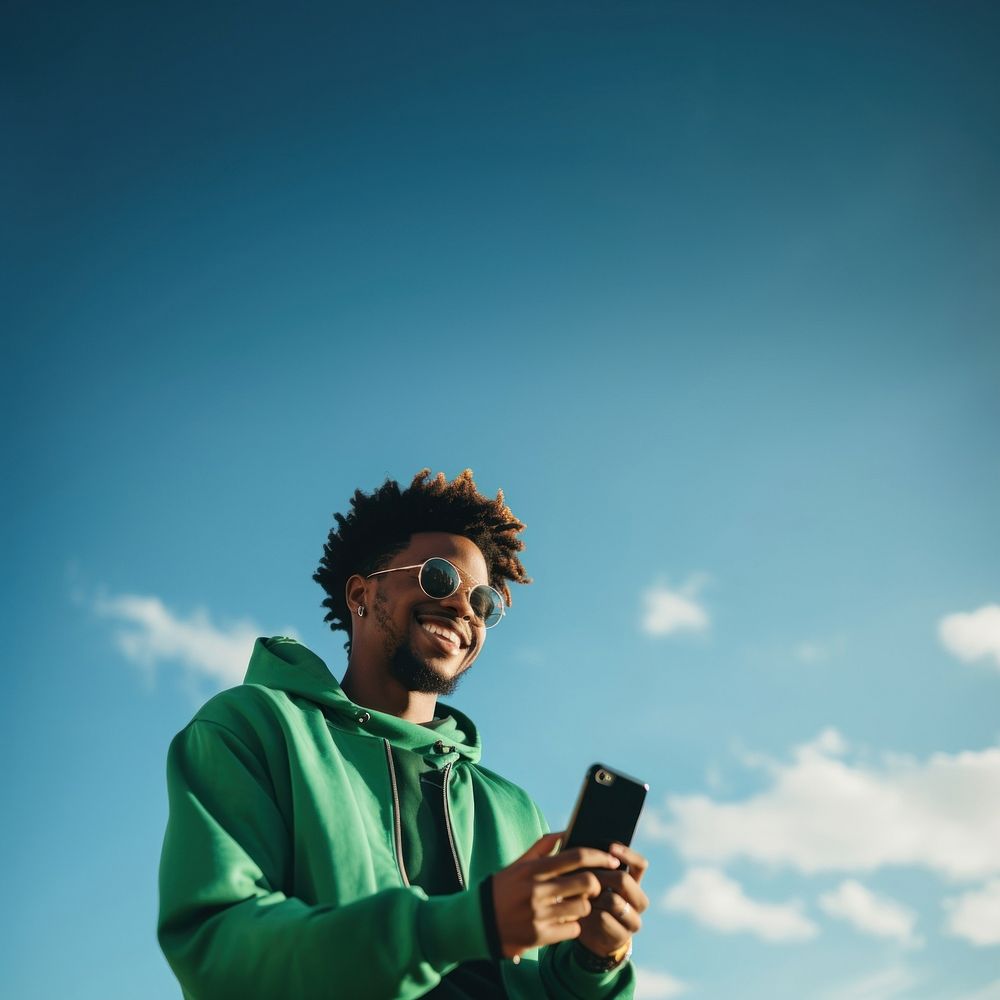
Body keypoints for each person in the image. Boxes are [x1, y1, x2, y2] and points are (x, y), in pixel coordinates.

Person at [158, 469, 649, 998]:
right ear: (360, 593)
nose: (465, 608)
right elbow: (218, 950)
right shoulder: (253, 729)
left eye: (484, 603)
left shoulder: (513, 810)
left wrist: (596, 962)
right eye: (439, 577)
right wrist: (463, 925)